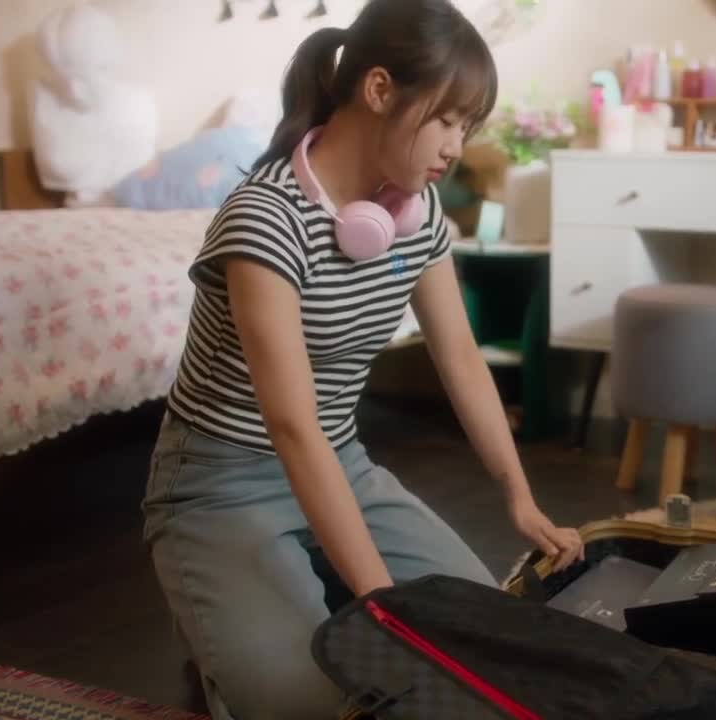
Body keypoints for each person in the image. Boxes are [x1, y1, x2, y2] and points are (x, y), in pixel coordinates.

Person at [141, 1, 583, 718]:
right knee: (316, 704)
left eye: (467, 129)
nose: (455, 148)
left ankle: (283, 601)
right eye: (447, 120)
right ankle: (220, 643)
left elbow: (460, 359)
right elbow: (292, 427)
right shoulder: (265, 219)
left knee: (489, 642)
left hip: (341, 464)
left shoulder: (419, 212)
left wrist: (518, 495)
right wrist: (383, 604)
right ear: (379, 89)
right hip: (219, 486)